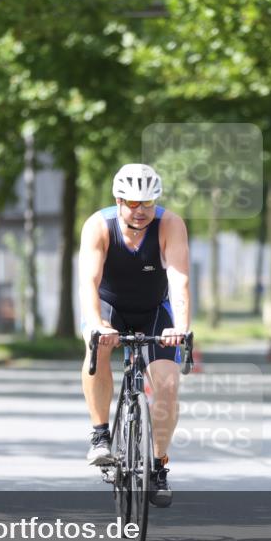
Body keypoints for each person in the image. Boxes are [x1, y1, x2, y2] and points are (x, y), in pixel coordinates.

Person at [78, 163, 190, 508]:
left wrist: (181, 327)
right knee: (95, 350)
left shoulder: (169, 225)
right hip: (111, 308)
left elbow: (179, 280)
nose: (140, 210)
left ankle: (157, 466)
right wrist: (97, 324)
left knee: (168, 385)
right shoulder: (99, 226)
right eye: (131, 203)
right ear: (118, 200)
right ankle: (100, 436)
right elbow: (89, 283)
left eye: (147, 203)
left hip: (155, 310)